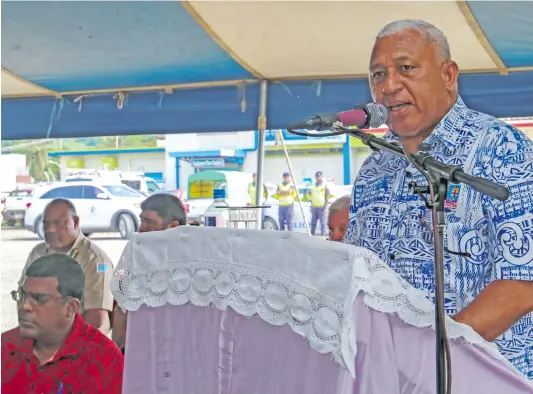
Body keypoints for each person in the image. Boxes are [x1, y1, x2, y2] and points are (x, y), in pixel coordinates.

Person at [344, 19, 533, 378]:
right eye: (378, 74)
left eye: (405, 68)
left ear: (448, 74)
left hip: (484, 378)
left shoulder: (500, 148)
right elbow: (359, 275)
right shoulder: (374, 168)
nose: (389, 85)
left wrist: (429, 360)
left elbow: (523, 283)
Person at [2, 254, 123, 393]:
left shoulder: (104, 358)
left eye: (39, 298)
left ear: (71, 307)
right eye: (21, 295)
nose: (24, 306)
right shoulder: (5, 347)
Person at [19, 198, 114, 334]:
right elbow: (23, 296)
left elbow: (95, 318)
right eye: (46, 224)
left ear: (75, 222)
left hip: (82, 343)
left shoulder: (96, 261)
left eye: (58, 223)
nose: (50, 229)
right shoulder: (38, 252)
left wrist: (56, 343)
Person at [112, 193, 187, 350]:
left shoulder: (193, 260)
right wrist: (118, 350)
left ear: (173, 226)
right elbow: (120, 295)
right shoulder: (133, 251)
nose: (141, 228)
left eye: (149, 222)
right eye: (142, 220)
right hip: (138, 345)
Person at [310, 171, 330, 236]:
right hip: (314, 207)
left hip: (322, 207)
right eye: (317, 176)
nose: (318, 178)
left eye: (320, 176)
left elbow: (327, 197)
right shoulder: (313, 186)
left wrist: (326, 207)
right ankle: (311, 234)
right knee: (313, 223)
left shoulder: (325, 185)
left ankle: (323, 235)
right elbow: (311, 196)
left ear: (322, 177)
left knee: (323, 223)